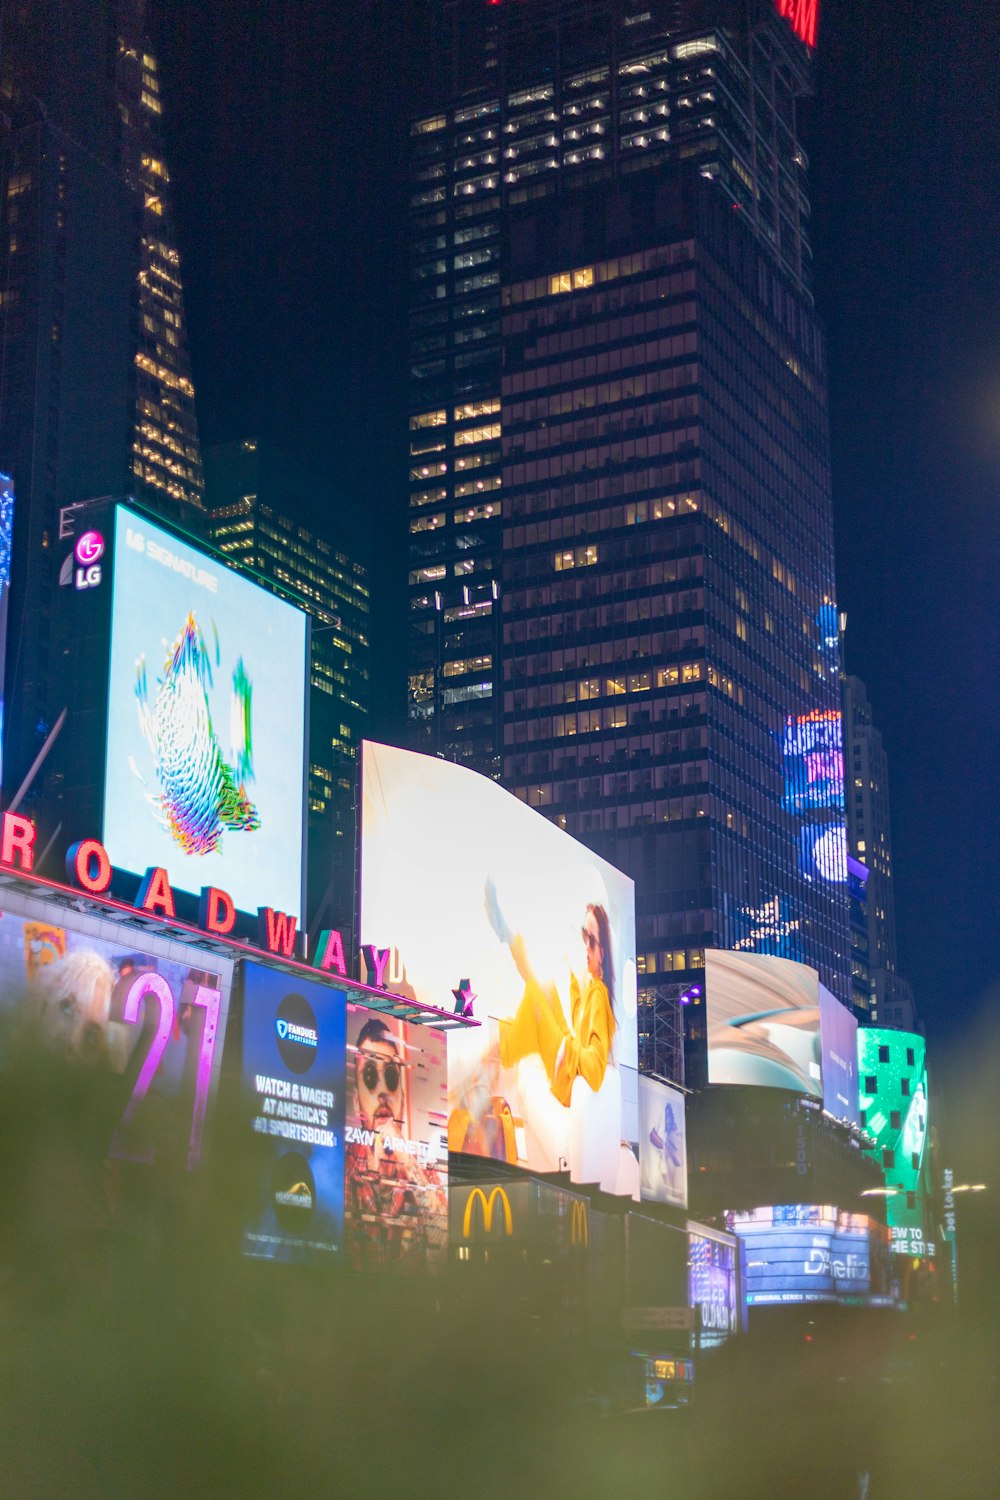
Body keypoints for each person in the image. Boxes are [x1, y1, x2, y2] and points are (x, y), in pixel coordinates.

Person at [486, 883, 617, 1108]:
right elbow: (573, 1019)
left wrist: (568, 1046)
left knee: (536, 997)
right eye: (584, 935)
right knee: (543, 988)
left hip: (568, 1078)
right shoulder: (589, 987)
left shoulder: (598, 996)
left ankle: (495, 1053)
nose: (586, 945)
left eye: (592, 941)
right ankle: (508, 937)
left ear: (602, 953)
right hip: (569, 1062)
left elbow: (595, 1070)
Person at [344, 1017, 446, 1268]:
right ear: (357, 1102)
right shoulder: (339, 1170)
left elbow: (444, 1249)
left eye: (390, 1078)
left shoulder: (426, 1175)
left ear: (401, 1097)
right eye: (369, 1076)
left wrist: (406, 1162)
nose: (382, 1093)